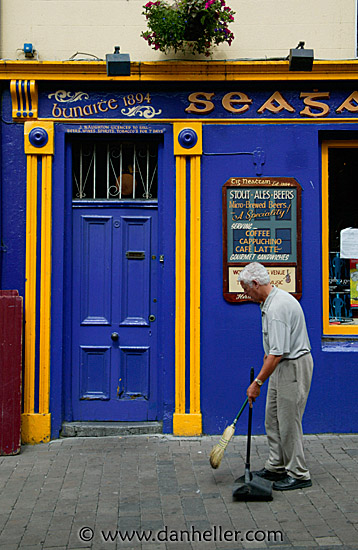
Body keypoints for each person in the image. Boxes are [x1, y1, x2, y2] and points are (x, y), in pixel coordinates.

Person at [238, 262, 313, 491]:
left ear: (256, 284)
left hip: (292, 366)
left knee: (289, 421)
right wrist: (265, 370)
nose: (246, 294)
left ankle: (299, 474)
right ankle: (276, 465)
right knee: (273, 417)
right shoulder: (270, 302)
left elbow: (277, 353)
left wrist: (257, 383)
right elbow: (272, 351)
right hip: (281, 365)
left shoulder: (276, 309)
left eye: (246, 289)